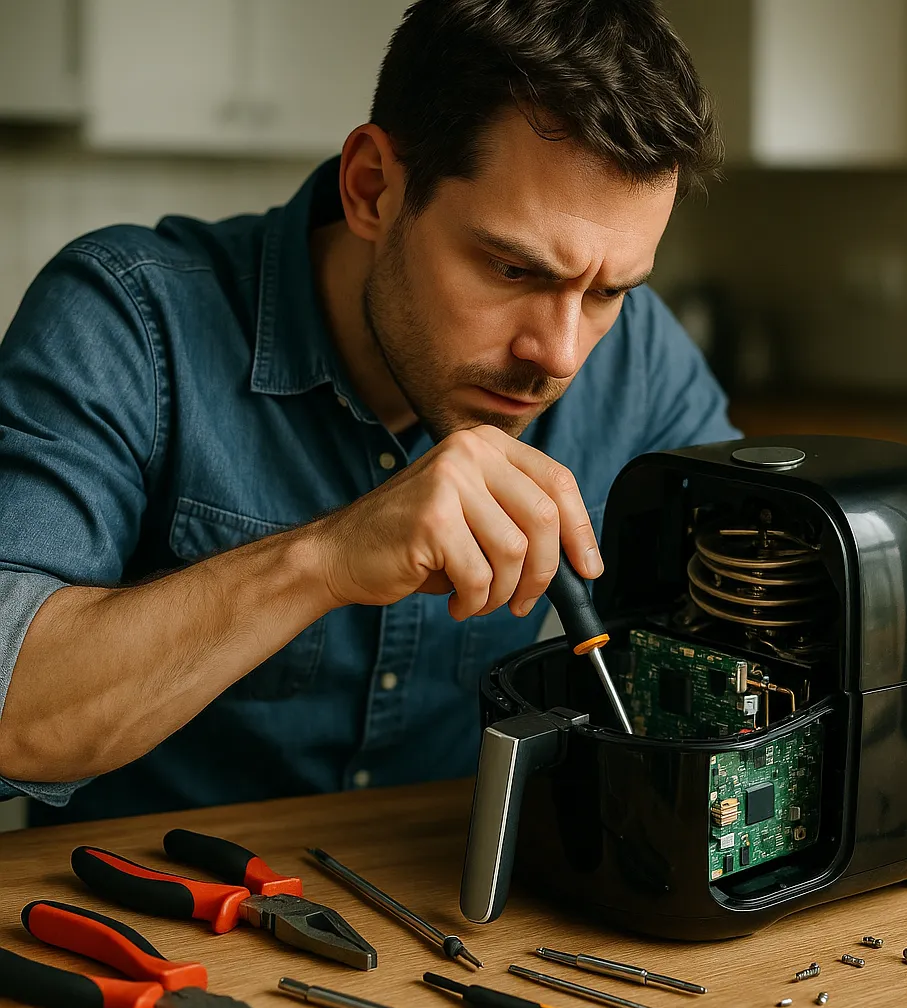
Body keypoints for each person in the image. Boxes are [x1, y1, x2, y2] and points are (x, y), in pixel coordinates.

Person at [0, 0, 739, 825]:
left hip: (444, 889)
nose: (560, 356)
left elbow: (749, 608)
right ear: (372, 188)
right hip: (150, 890)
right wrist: (323, 560)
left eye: (607, 292)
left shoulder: (641, 358)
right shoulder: (128, 319)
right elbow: (11, 717)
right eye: (512, 269)